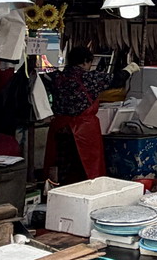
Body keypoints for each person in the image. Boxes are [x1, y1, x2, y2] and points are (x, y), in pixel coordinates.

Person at [43, 47, 132, 184]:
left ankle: (56, 191)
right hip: (84, 130)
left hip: (60, 129)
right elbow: (117, 79)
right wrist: (130, 69)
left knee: (61, 167)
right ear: (85, 62)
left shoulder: (56, 76)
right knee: (86, 170)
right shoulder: (89, 78)